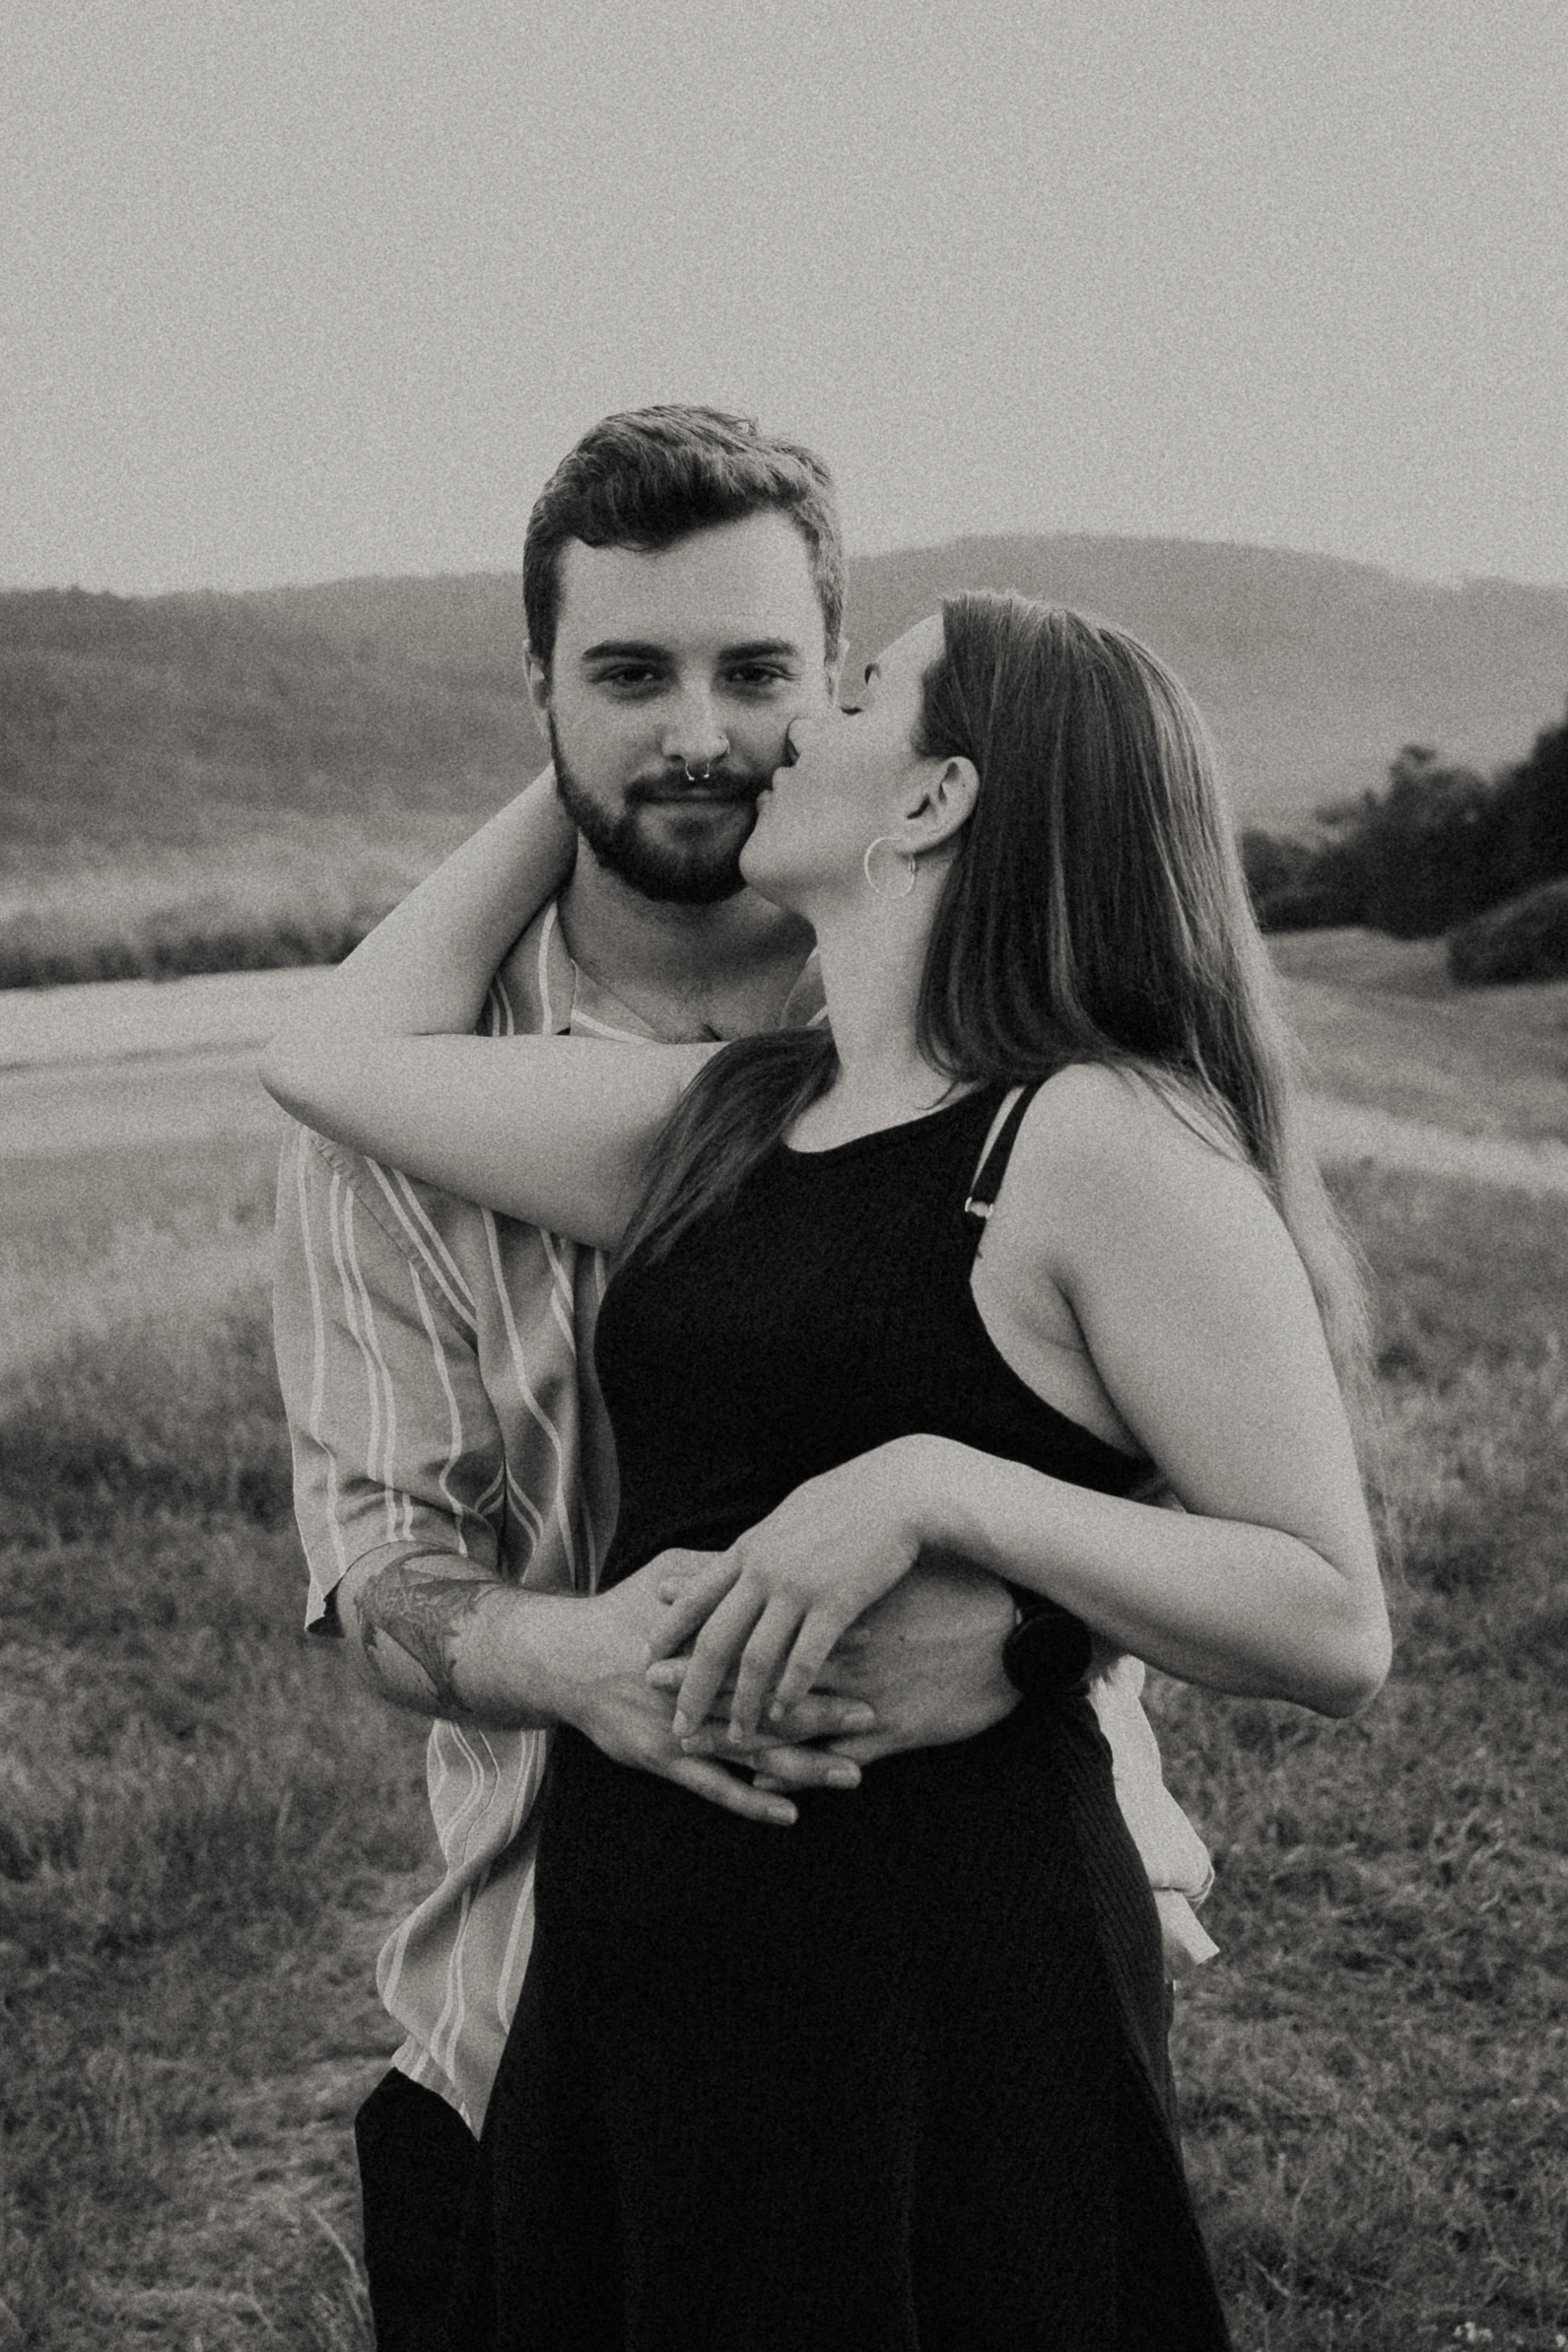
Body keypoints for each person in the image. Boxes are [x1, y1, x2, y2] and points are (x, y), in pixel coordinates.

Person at [265, 586, 1391, 2347]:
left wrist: (943, 1486)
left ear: (934, 798)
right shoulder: (739, 1109)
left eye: (851, 697)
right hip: (635, 1990)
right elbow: (326, 1061)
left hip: (936, 2008)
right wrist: (585, 763)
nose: (779, 732)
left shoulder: (1091, 1137)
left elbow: (1329, 1617)